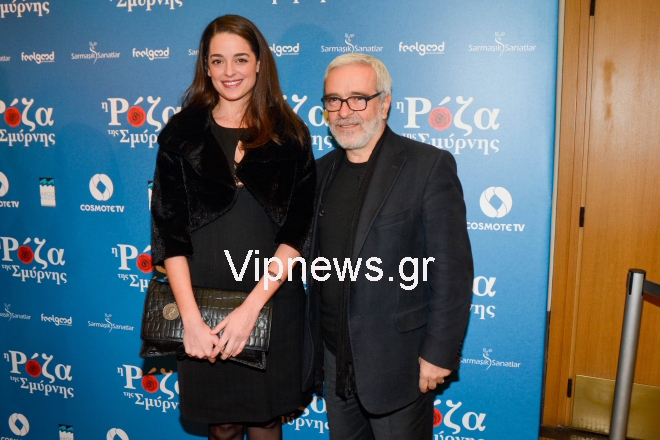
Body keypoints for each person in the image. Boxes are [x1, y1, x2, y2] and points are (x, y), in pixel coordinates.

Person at [150, 15, 315, 440]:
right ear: (205, 67)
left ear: (259, 63)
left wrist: (250, 310)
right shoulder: (182, 134)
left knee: (266, 419)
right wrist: (191, 320)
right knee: (221, 425)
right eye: (218, 60)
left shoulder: (291, 136)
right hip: (201, 306)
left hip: (271, 301)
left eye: (240, 59)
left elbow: (297, 234)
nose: (229, 71)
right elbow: (169, 234)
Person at [302, 54, 474, 439]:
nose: (344, 111)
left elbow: (452, 272)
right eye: (334, 100)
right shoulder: (320, 172)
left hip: (399, 363)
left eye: (358, 98)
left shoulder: (427, 166)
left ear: (384, 103)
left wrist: (438, 353)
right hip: (334, 361)